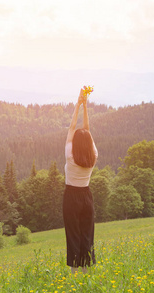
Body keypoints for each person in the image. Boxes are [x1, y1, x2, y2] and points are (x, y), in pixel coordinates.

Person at [63, 88, 98, 275]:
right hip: (87, 196)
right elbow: (87, 130)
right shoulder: (93, 156)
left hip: (71, 196)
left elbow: (72, 128)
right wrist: (86, 106)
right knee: (87, 235)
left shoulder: (70, 155)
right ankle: (87, 273)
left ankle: (74, 275)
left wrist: (78, 104)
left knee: (73, 235)